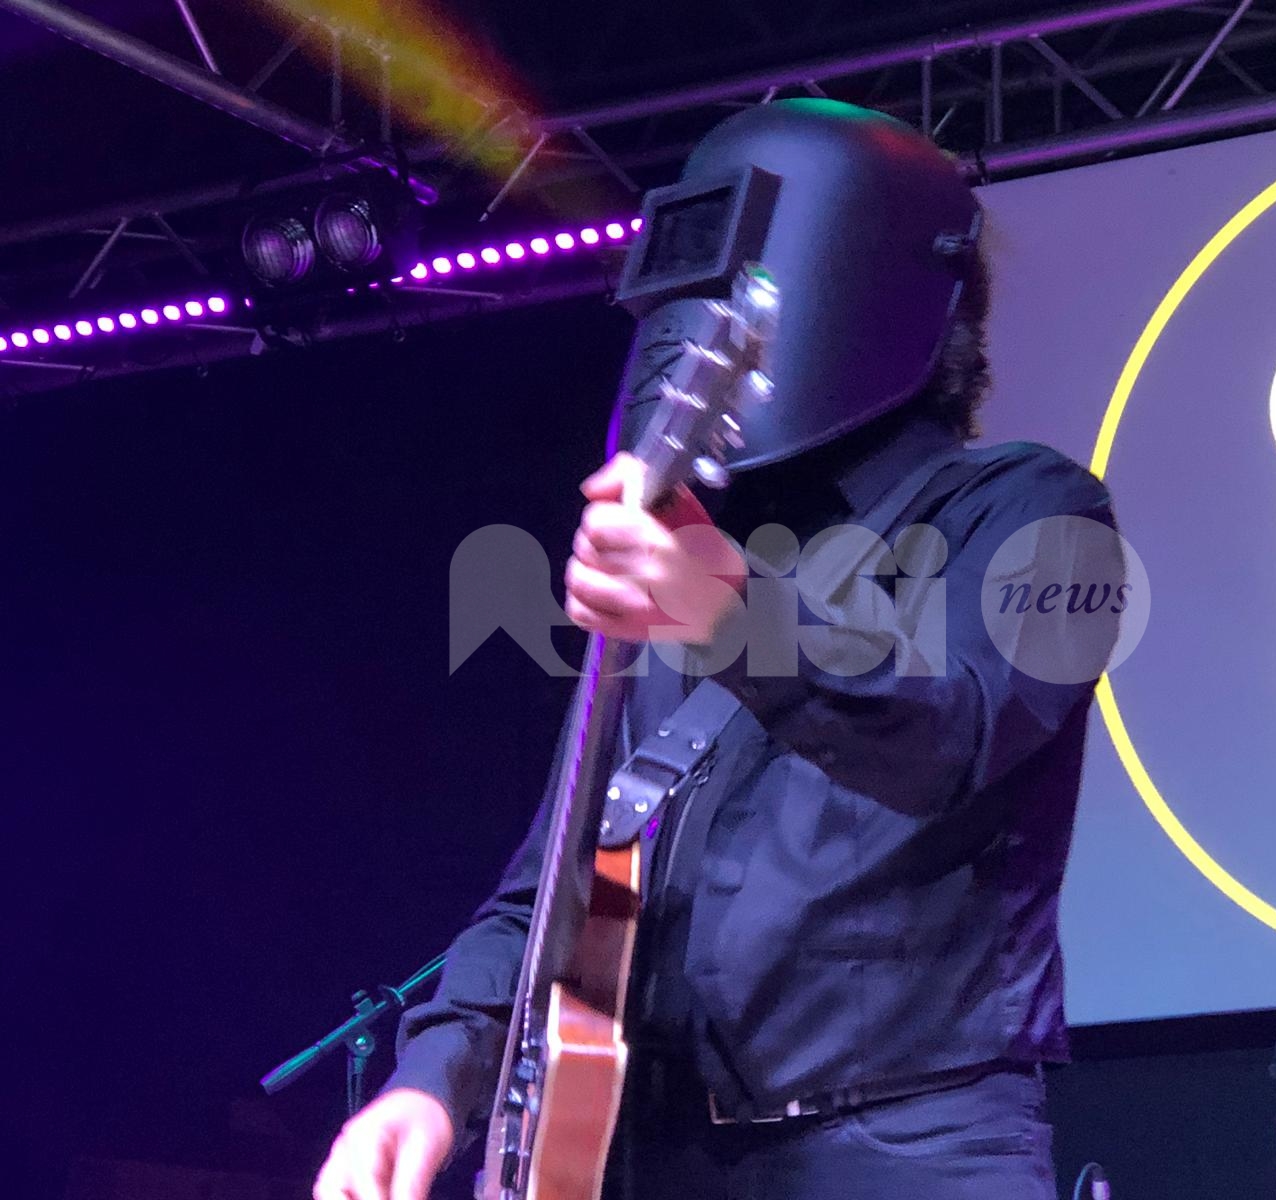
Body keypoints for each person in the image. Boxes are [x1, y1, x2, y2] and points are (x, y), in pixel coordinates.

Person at [313, 99, 1121, 1200]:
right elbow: (549, 888)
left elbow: (952, 734)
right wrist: (431, 1082)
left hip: (908, 1150)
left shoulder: (1032, 508)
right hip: (655, 1154)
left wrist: (733, 619)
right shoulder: (686, 554)